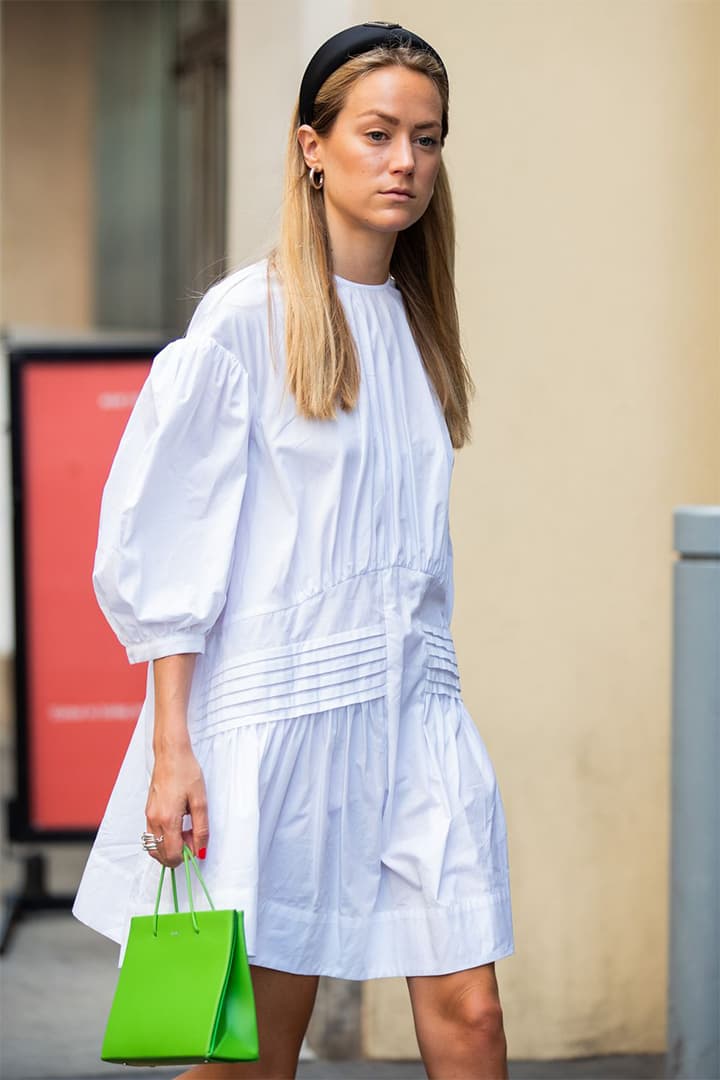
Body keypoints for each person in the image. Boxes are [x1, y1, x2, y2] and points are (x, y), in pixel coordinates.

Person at [73, 21, 515, 1080]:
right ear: (311, 147)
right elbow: (171, 543)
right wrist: (173, 747)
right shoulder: (245, 322)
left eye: (427, 137)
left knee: (472, 1010)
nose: (404, 160)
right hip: (277, 724)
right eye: (376, 133)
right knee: (252, 1056)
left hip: (414, 711)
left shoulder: (422, 327)